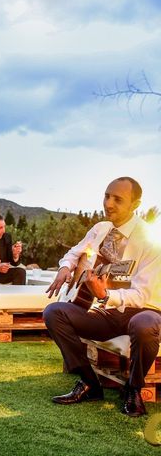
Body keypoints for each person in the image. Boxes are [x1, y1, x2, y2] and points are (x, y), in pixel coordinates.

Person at [44, 177, 161, 417]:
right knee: (53, 312)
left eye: (118, 199)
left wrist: (105, 294)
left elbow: (141, 295)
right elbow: (74, 252)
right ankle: (89, 383)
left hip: (144, 311)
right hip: (107, 311)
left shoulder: (150, 241)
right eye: (107, 196)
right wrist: (65, 267)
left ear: (135, 204)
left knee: (144, 325)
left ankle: (133, 388)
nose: (109, 203)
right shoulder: (100, 229)